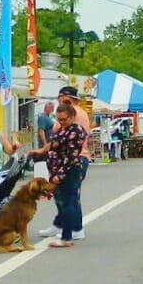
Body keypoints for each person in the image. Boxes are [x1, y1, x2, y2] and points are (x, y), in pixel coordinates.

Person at [39, 97, 90, 248]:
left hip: (68, 171)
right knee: (63, 202)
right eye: (58, 119)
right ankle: (63, 229)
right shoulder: (64, 130)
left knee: (69, 202)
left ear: (73, 116)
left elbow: (70, 156)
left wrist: (58, 176)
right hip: (58, 170)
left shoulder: (75, 131)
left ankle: (67, 235)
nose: (61, 122)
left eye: (64, 119)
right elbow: (54, 147)